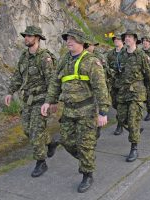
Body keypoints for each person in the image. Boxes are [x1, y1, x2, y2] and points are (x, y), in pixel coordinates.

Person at [41, 28, 110, 193]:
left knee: (85, 145)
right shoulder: (64, 60)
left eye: (73, 39)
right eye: (67, 39)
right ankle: (88, 158)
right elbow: (55, 83)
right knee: (67, 141)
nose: (69, 41)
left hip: (86, 111)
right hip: (68, 111)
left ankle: (87, 174)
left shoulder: (92, 61)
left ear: (82, 42)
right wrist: (49, 101)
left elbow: (101, 88)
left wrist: (103, 112)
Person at [4, 26, 58, 178]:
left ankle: (41, 162)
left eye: (29, 36)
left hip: (42, 101)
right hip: (27, 100)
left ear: (38, 38)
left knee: (35, 131)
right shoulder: (24, 56)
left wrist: (51, 102)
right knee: (28, 130)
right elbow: (17, 76)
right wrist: (10, 92)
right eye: (25, 36)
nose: (26, 38)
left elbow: (52, 82)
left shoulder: (44, 57)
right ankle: (50, 142)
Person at [114, 30, 150, 162]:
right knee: (121, 118)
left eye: (129, 37)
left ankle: (134, 149)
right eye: (125, 37)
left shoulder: (141, 55)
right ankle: (137, 130)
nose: (127, 39)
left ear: (135, 40)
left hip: (137, 93)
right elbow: (118, 72)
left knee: (133, 119)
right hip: (123, 91)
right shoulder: (121, 55)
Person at [106, 33, 125, 135]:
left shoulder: (126, 53)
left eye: (118, 39)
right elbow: (106, 66)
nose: (116, 41)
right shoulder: (110, 54)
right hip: (114, 84)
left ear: (123, 41)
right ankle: (125, 120)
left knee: (121, 105)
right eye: (115, 39)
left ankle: (120, 125)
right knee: (115, 104)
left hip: (124, 84)